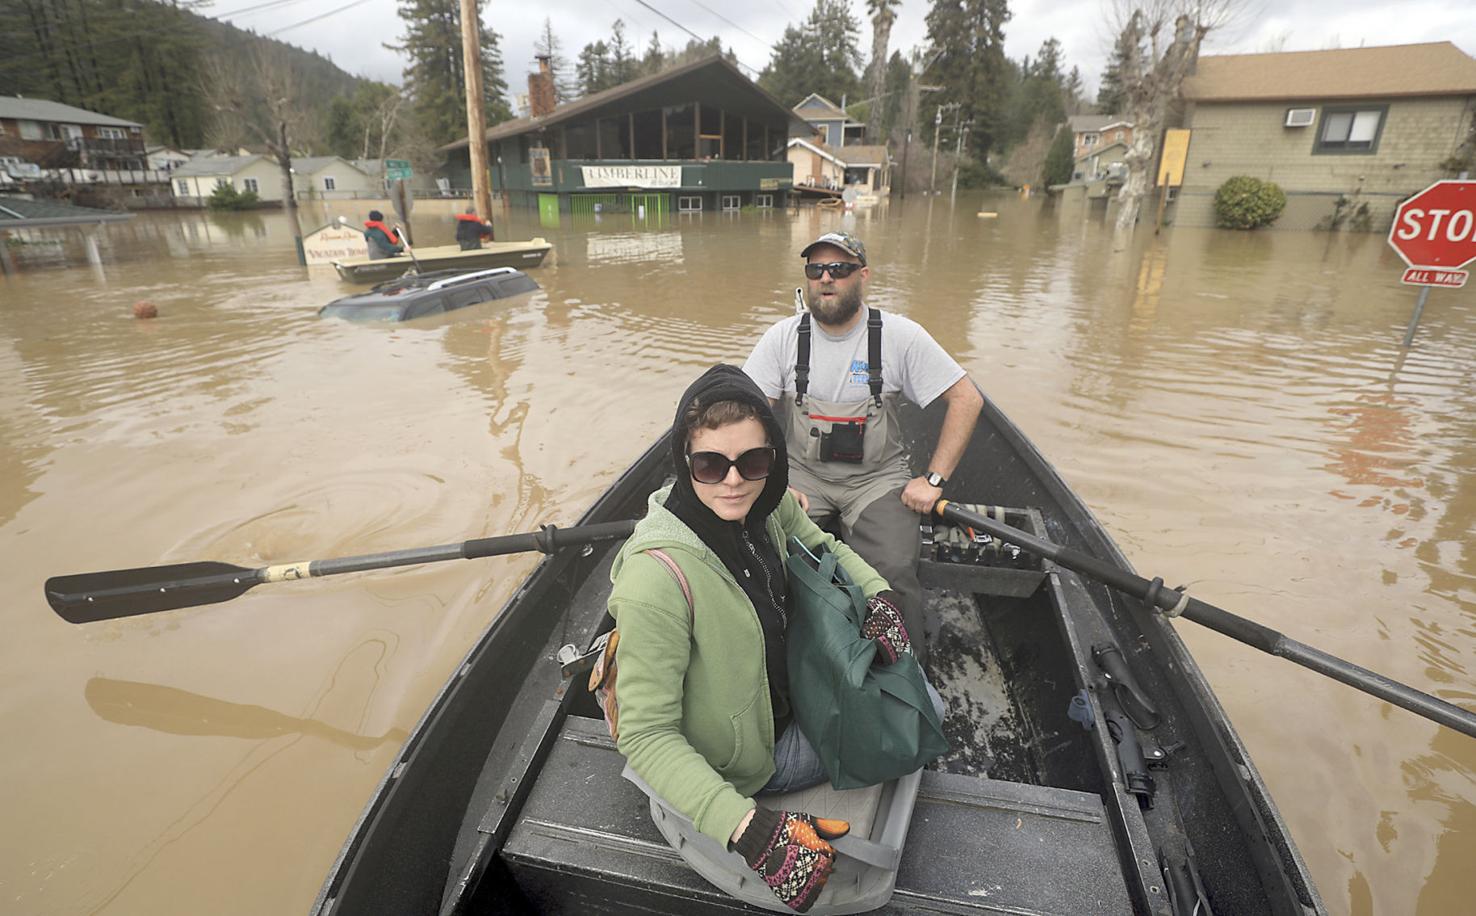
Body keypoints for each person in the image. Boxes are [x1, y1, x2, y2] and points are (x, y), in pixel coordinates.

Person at [608, 364, 916, 912]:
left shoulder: (766, 503)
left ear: (772, 457)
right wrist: (749, 829)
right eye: (710, 464)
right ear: (684, 463)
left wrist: (877, 595)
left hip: (790, 690)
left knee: (908, 687)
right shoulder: (654, 580)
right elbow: (646, 735)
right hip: (752, 756)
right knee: (916, 710)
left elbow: (825, 545)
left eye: (752, 461)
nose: (733, 480)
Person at [743, 232, 985, 666]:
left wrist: (932, 481)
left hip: (877, 481)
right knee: (766, 558)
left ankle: (906, 676)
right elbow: (746, 415)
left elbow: (967, 399)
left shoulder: (900, 336)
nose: (826, 279)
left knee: (892, 570)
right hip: (802, 477)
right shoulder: (782, 338)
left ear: (863, 276)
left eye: (839, 269)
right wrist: (771, 482)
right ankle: (779, 665)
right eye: (815, 270)